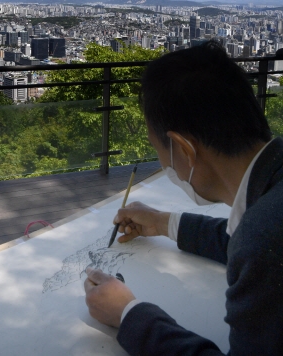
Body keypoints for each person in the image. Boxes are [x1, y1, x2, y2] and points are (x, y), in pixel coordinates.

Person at [84, 40, 283, 355]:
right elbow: (243, 240)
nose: (163, 164)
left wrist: (128, 315)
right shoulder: (269, 202)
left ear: (185, 151)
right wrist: (164, 223)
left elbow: (257, 247)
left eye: (159, 150)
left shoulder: (263, 241)